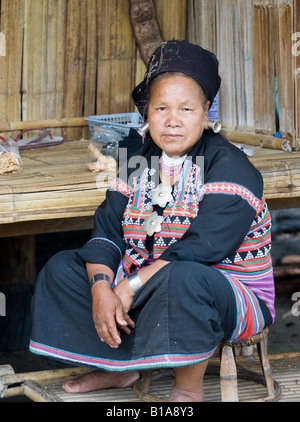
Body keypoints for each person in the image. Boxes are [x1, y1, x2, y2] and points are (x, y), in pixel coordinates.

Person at [30, 40, 275, 402]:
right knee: (64, 268)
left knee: (183, 277)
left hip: (228, 295)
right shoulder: (137, 156)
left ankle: (187, 390)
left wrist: (127, 287)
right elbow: (108, 229)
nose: (172, 120)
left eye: (187, 109)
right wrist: (101, 288)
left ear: (206, 112)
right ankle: (119, 369)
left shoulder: (230, 165)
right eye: (161, 107)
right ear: (147, 113)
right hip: (150, 284)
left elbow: (203, 248)